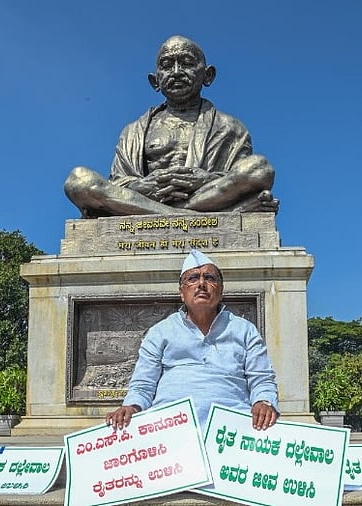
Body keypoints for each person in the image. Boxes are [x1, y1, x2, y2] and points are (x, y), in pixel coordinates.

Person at [65, 35, 280, 218]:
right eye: (167, 66)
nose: (176, 72)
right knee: (78, 180)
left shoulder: (230, 127)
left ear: (208, 75)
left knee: (260, 167)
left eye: (186, 62)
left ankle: (165, 213)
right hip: (147, 199)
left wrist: (205, 179)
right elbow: (118, 182)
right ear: (155, 81)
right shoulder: (133, 131)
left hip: (202, 195)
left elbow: (241, 182)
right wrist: (142, 187)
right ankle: (189, 216)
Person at [105, 249, 280, 431]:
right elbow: (143, 385)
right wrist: (132, 407)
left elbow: (262, 379)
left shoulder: (244, 330)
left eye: (210, 278)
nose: (202, 284)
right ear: (182, 292)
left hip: (231, 431)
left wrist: (264, 402)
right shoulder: (160, 332)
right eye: (193, 278)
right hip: (170, 429)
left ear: (221, 291)